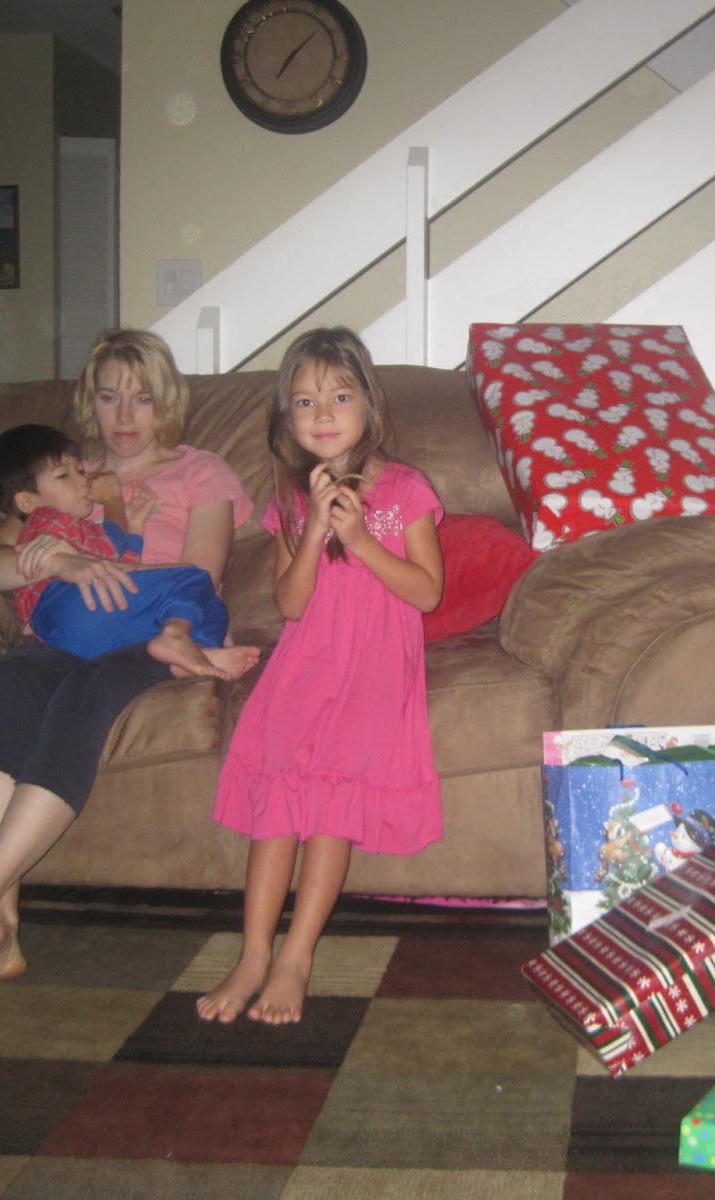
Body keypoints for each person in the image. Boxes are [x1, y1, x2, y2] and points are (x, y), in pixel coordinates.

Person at [0, 329, 258, 979]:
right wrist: (56, 559)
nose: (124, 416)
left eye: (142, 399)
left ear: (167, 401)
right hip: (65, 633)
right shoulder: (66, 473)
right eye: (109, 397)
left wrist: (110, 558)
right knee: (10, 681)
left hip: (150, 630)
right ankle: (2, 925)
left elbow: (199, 574)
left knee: (86, 694)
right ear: (90, 401)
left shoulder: (202, 473)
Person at [198, 327, 444, 1025]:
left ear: (369, 404)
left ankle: (296, 958)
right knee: (278, 796)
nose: (324, 414)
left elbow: (427, 593)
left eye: (339, 397)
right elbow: (290, 603)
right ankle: (253, 954)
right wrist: (310, 533)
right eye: (305, 402)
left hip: (373, 666)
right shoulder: (290, 496)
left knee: (331, 800)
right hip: (304, 662)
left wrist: (359, 539)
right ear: (288, 418)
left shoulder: (405, 488)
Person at [0, 422, 252, 678]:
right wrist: (112, 502)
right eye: (65, 475)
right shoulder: (52, 519)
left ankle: (183, 655)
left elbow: (117, 561)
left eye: (80, 471)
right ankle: (182, 640)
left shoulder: (49, 513)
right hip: (78, 604)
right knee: (195, 581)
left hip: (78, 634)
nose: (82, 480)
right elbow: (110, 545)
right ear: (26, 501)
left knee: (210, 606)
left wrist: (137, 528)